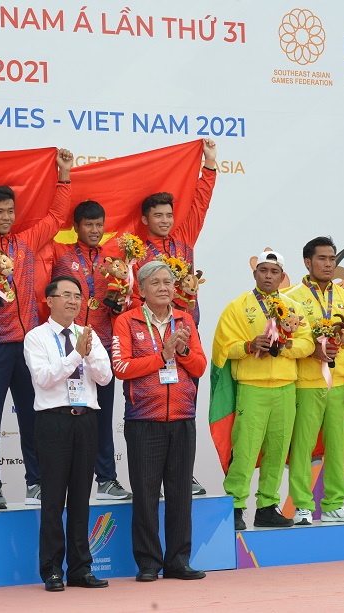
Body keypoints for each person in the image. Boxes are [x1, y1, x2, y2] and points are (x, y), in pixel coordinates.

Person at [0, 148, 74, 509]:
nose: (6, 217)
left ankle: (35, 482)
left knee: (34, 415)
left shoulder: (26, 242)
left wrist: (64, 175)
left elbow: (56, 216)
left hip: (30, 345)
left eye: (10, 211)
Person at [111, 261, 207, 582]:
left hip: (182, 418)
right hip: (144, 420)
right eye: (156, 283)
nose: (164, 287)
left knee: (180, 494)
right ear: (141, 289)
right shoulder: (127, 321)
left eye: (168, 281)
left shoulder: (184, 320)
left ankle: (178, 561)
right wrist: (162, 356)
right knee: (146, 494)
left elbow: (199, 366)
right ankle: (149, 563)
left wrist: (181, 351)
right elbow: (121, 368)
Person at [132, 139, 217, 496]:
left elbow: (200, 203)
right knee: (151, 409)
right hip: (149, 337)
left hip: (185, 332)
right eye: (158, 216)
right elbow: (130, 294)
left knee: (185, 404)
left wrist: (209, 166)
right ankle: (150, 478)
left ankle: (185, 475)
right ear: (145, 219)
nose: (165, 221)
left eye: (169, 215)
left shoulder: (184, 241)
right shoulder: (135, 251)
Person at [213, 251, 315, 530]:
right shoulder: (237, 307)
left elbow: (308, 344)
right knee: (245, 451)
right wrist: (248, 346)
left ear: (282, 277)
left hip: (285, 388)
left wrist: (286, 346)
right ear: (254, 274)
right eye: (263, 271)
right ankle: (235, 507)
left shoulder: (293, 307)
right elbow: (223, 347)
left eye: (274, 272)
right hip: (252, 387)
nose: (268, 276)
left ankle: (268, 507)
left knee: (278, 451)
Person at [24, 275, 112, 592]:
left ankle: (80, 569)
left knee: (80, 499)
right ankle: (51, 570)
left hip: (86, 420)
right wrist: (76, 354)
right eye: (66, 295)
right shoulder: (36, 337)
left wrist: (88, 352)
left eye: (77, 296)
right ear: (49, 300)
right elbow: (45, 378)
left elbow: (105, 377)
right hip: (53, 421)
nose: (73, 301)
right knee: (52, 499)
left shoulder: (89, 335)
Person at [47, 200, 131, 501]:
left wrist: (119, 306)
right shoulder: (61, 255)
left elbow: (119, 303)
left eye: (99, 225)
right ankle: (60, 482)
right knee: (67, 418)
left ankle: (106, 479)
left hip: (101, 347)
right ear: (76, 227)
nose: (95, 230)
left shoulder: (113, 259)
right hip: (67, 347)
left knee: (103, 417)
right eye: (88, 224)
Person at [285, 238, 344, 525]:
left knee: (337, 446)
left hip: (341, 383)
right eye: (322, 258)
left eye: (332, 258)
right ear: (308, 262)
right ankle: (302, 506)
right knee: (302, 447)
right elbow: (289, 338)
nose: (329, 264)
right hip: (307, 382)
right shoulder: (291, 298)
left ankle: (334, 504)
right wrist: (312, 350)